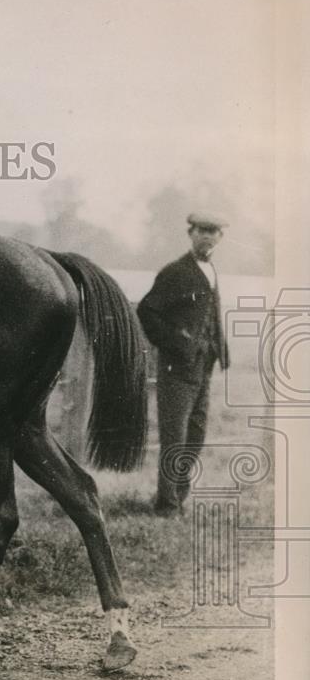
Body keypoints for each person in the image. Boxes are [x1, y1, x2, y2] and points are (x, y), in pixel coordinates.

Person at [137, 212, 231, 516]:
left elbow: (211, 316)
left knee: (196, 436)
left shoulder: (213, 270)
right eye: (201, 230)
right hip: (176, 369)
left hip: (204, 368)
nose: (207, 236)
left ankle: (179, 494)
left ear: (220, 237)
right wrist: (177, 339)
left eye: (213, 231)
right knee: (174, 438)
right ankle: (166, 506)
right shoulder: (175, 272)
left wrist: (220, 349)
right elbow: (147, 312)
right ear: (190, 233)